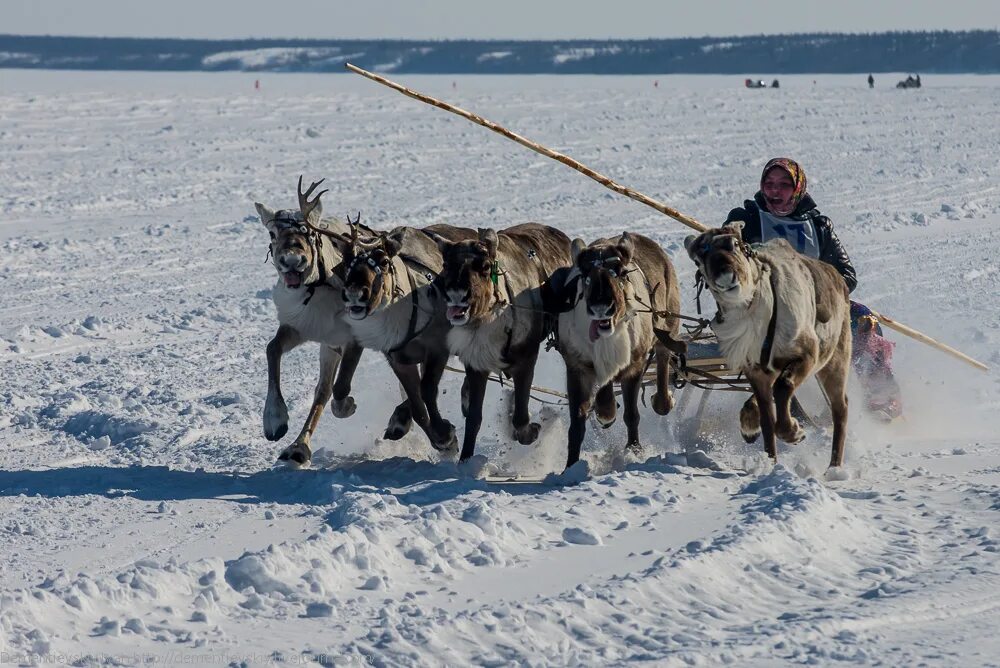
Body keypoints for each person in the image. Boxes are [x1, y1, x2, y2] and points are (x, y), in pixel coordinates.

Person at [723, 158, 902, 421]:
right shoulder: (745, 219)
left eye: (784, 184)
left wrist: (814, 290)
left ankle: (881, 395)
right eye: (769, 183)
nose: (775, 190)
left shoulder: (818, 226)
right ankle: (789, 412)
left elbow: (847, 275)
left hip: (816, 308)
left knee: (863, 317)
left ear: (798, 188)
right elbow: (726, 267)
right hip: (763, 309)